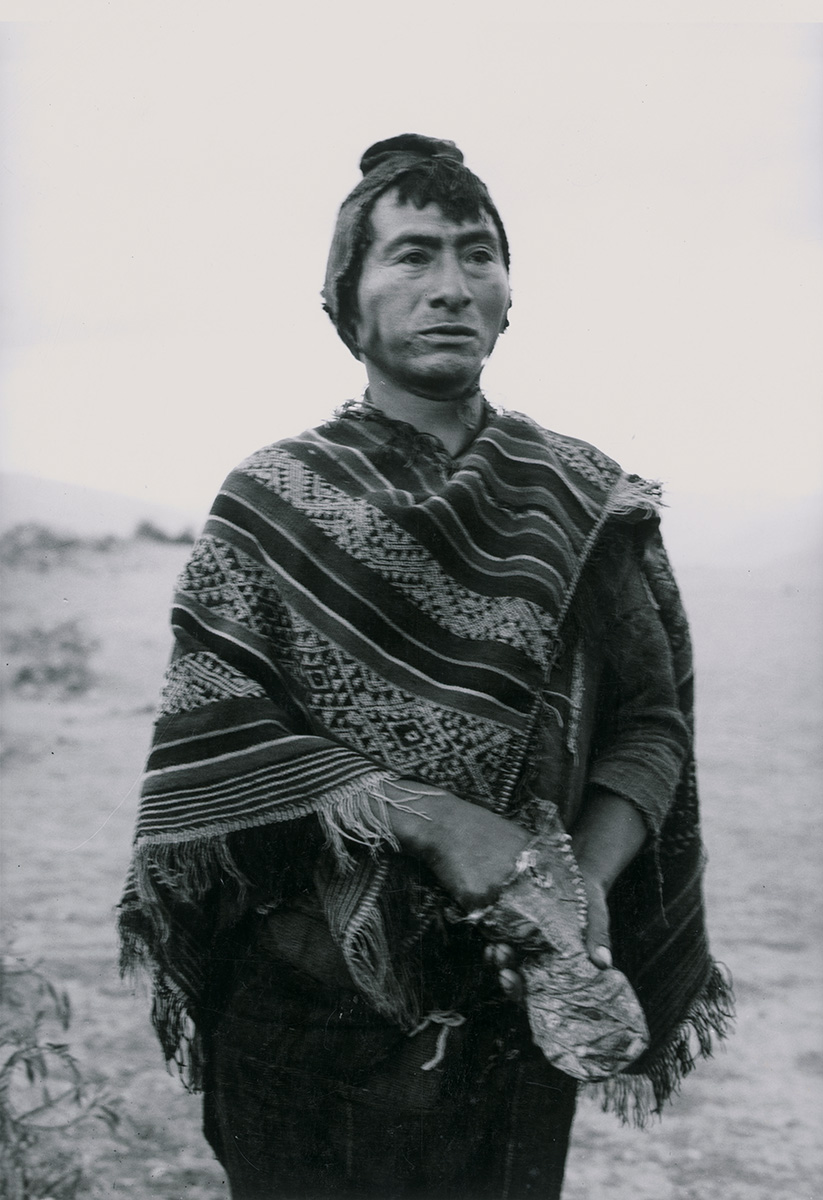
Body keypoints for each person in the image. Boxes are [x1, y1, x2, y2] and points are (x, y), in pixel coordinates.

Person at [119, 134, 733, 1199]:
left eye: (476, 254)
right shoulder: (270, 503)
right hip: (304, 1017)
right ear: (345, 301)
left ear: (508, 294)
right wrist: (435, 819)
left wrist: (578, 876)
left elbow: (647, 723)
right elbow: (220, 732)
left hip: (510, 1017)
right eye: (409, 256)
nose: (450, 286)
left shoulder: (582, 497)